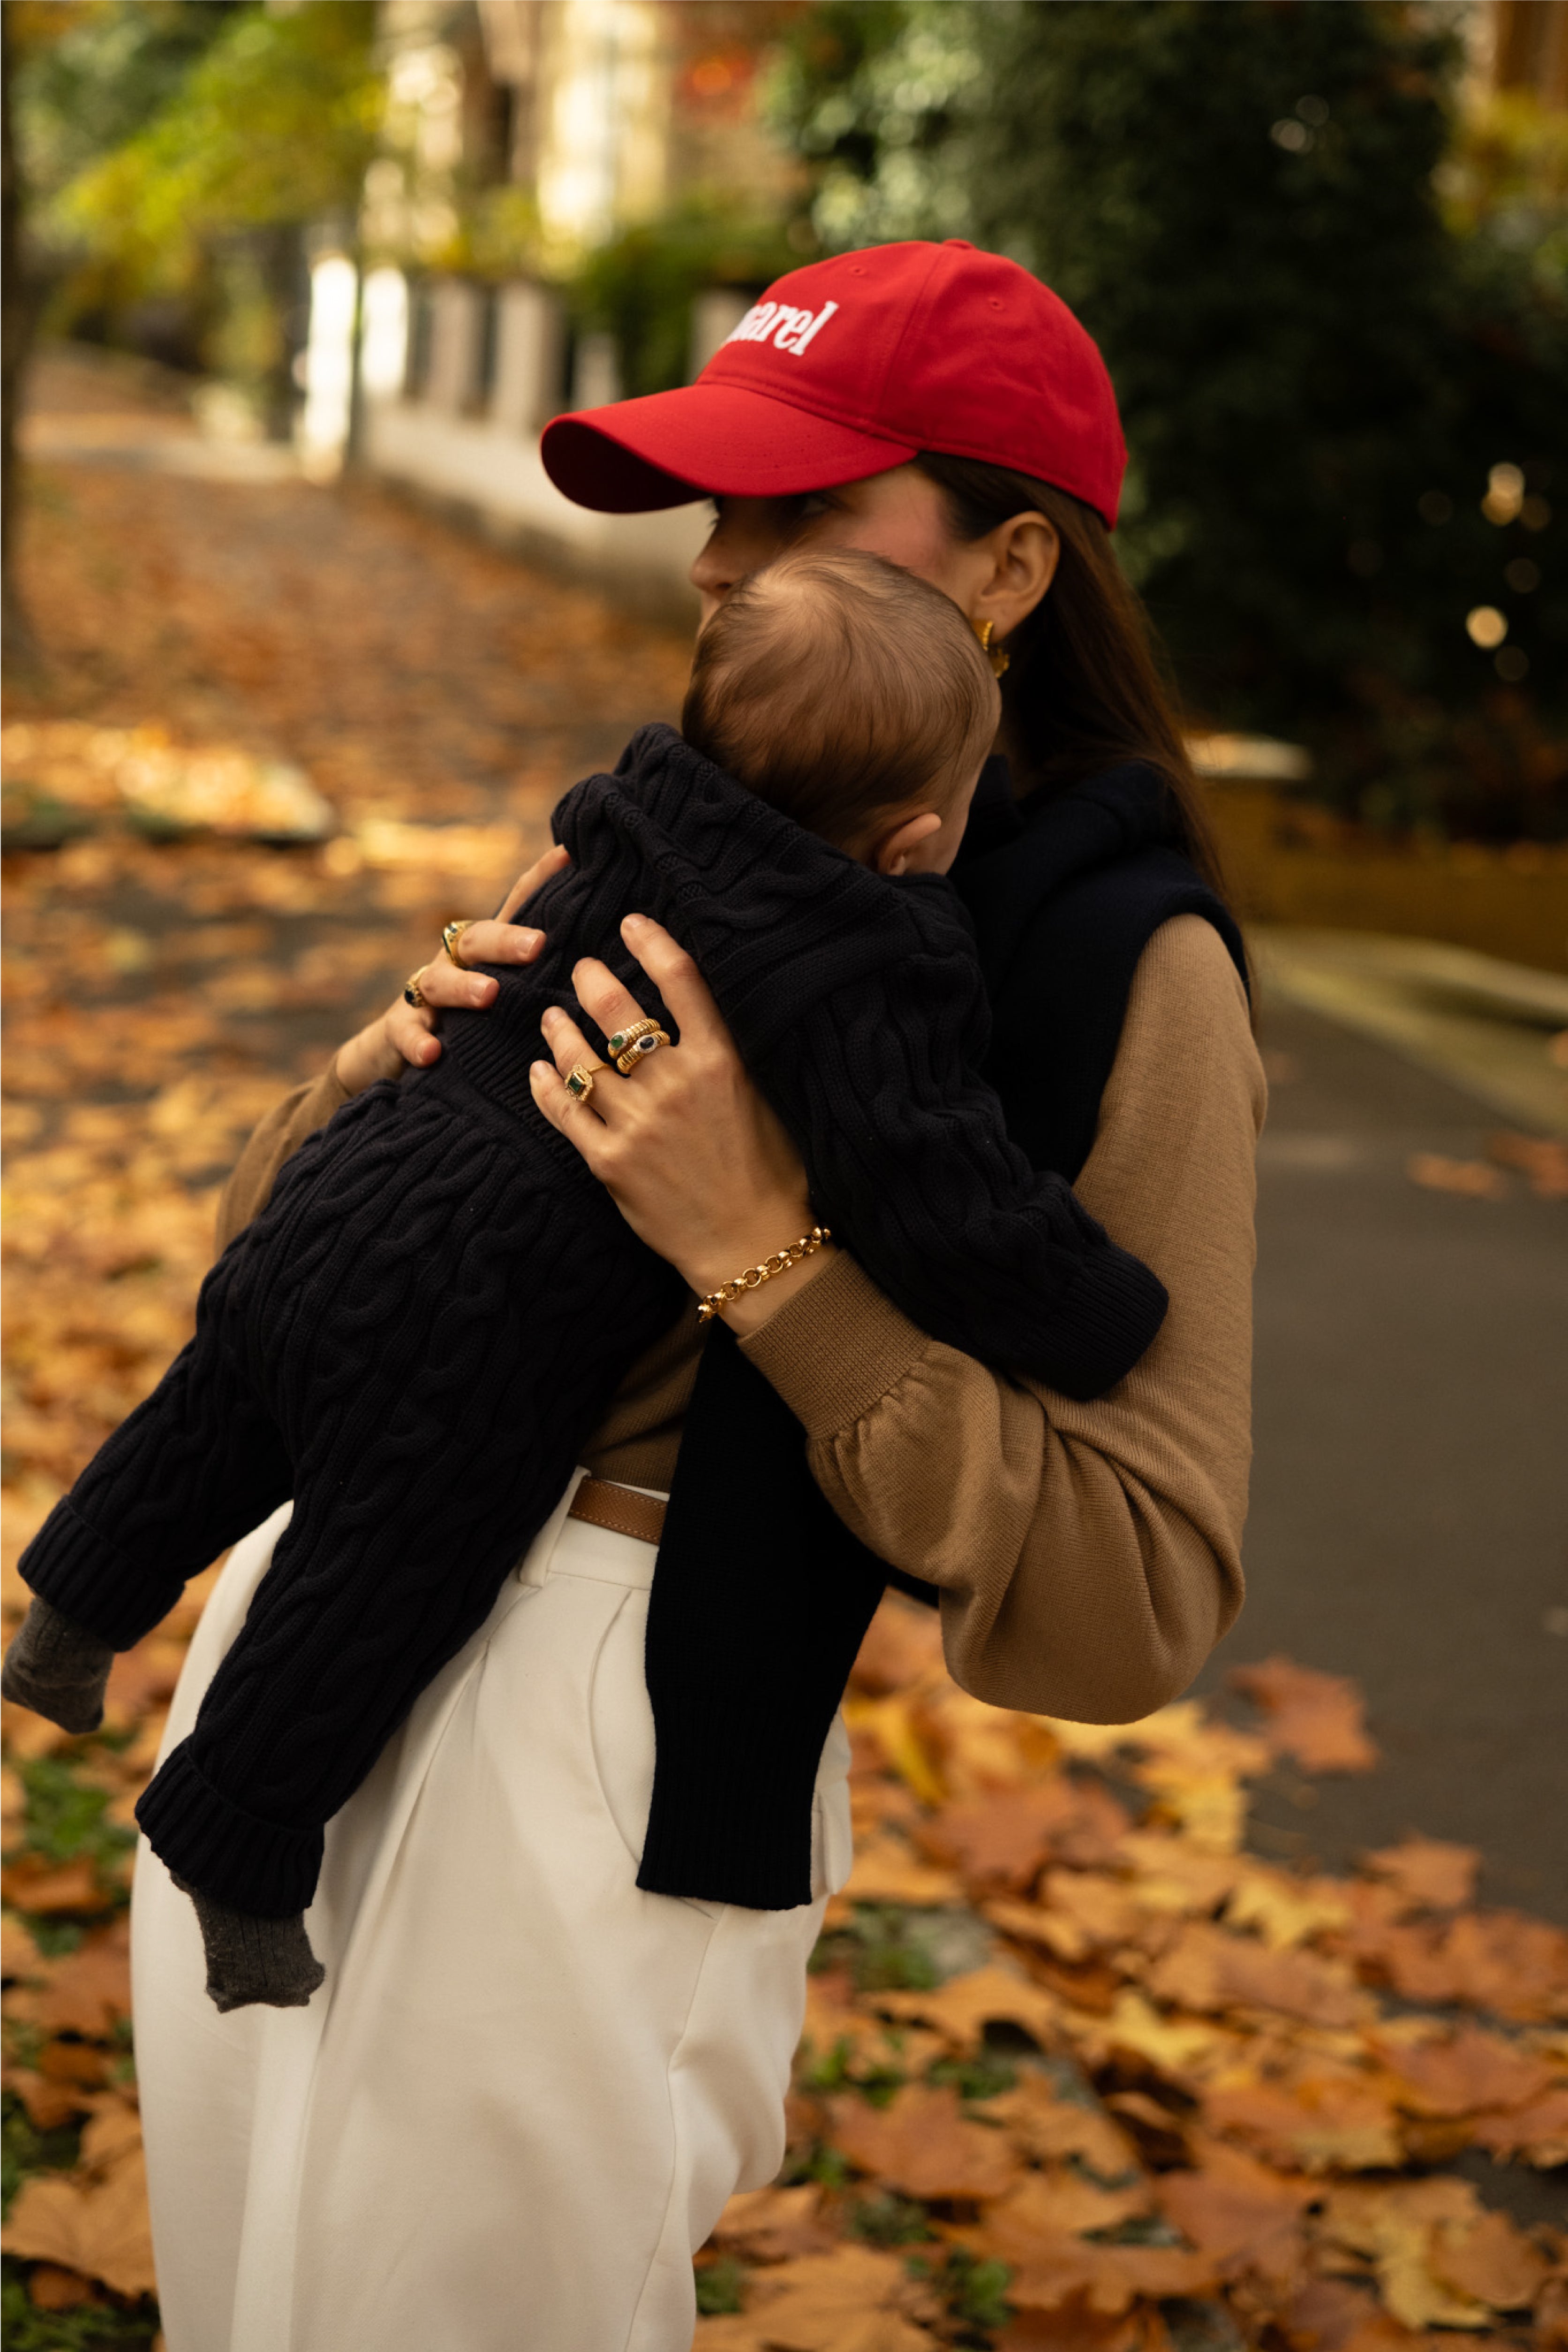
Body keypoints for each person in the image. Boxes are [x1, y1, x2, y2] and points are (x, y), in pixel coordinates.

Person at [115, 240, 1264, 2352]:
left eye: (799, 508)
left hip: (607, 1740)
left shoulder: (1131, 972)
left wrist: (762, 1255)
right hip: (296, 1649)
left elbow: (1134, 1596)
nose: (722, 563)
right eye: (717, 505)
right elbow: (277, 1273)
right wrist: (372, 1081)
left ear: (1013, 568)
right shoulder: (688, 818)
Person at [5, 551, 1170, 2011]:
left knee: (220, 1402)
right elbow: (946, 1201)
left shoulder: (621, 811)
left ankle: (68, 1618)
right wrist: (1102, 1310)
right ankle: (235, 1835)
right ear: (917, 840)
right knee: (384, 1568)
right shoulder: (869, 961)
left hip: (355, 1185)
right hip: (479, 1310)